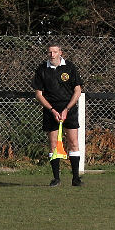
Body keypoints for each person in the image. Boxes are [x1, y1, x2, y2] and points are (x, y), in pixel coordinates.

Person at [32, 43, 84, 187]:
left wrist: (67, 109)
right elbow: (38, 94)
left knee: (73, 143)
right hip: (51, 111)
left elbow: (77, 90)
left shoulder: (70, 67)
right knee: (53, 144)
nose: (52, 55)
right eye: (49, 52)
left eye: (55, 52)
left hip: (69, 110)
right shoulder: (42, 69)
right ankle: (56, 178)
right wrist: (52, 110)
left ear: (61, 52)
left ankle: (76, 179)